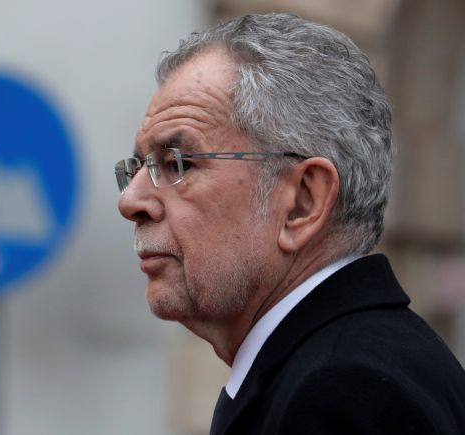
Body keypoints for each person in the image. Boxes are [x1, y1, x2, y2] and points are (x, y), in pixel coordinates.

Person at [114, 12, 465, 435]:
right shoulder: (343, 365)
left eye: (178, 163)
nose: (131, 201)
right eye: (138, 167)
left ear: (302, 203)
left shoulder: (343, 392)